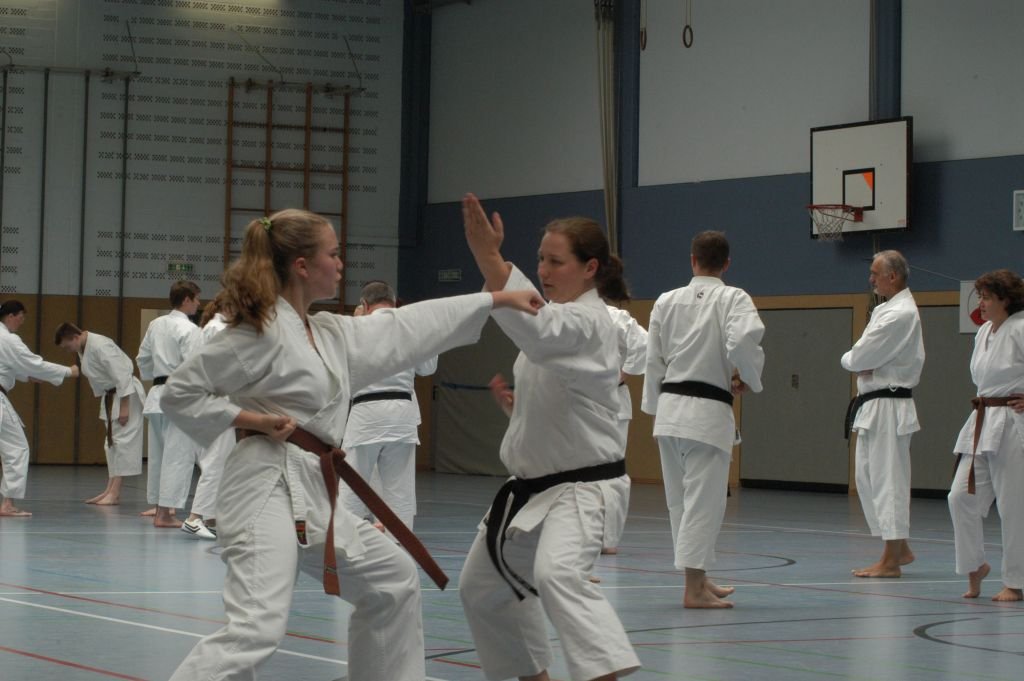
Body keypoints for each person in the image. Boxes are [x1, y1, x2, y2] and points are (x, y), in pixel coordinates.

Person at [160, 209, 541, 681]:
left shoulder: (325, 332)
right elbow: (180, 393)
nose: (341, 263)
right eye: (334, 254)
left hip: (311, 489)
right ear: (302, 265)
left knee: (392, 580)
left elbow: (405, 327)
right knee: (256, 627)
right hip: (262, 487)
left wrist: (496, 298)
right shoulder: (256, 334)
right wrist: (252, 418)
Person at [459, 194, 641, 681]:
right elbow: (561, 388)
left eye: (555, 261)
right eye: (540, 258)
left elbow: (542, 332)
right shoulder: (561, 319)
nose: (543, 270)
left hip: (582, 489)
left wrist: (489, 257)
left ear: (590, 268)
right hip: (535, 488)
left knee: (558, 574)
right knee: (482, 588)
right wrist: (520, 410)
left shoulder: (590, 320)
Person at [641, 231, 765, 609]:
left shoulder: (666, 300)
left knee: (679, 502)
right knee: (703, 503)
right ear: (726, 263)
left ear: (692, 259)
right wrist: (749, 377)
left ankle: (699, 578)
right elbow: (743, 342)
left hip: (670, 412)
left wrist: (654, 407)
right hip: (706, 415)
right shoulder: (734, 298)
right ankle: (693, 589)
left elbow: (653, 357)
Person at [841, 250, 924, 578]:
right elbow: (861, 357)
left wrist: (855, 360)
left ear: (893, 276)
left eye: (876, 273)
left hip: (890, 404)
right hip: (873, 404)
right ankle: (900, 548)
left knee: (889, 480)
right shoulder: (885, 309)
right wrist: (858, 360)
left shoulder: (900, 313)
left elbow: (859, 356)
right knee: (868, 478)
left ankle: (891, 559)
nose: (871, 279)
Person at [948, 269, 1024, 602]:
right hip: (983, 418)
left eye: (987, 297)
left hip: (1013, 420)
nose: (981, 302)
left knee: (1013, 504)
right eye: (980, 296)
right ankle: (975, 565)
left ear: (1005, 300)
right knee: (960, 497)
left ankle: (1016, 582)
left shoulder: (1021, 328)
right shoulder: (984, 333)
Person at [340, 281, 437, 531]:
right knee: (400, 496)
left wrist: (356, 321)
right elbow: (428, 369)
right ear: (394, 303)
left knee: (351, 490)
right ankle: (400, 550)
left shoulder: (353, 328)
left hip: (366, 417)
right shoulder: (410, 327)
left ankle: (346, 545)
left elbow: (340, 371)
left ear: (364, 304)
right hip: (402, 418)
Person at [0, 301, 79, 516]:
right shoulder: (7, 339)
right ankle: (7, 504)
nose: (22, 322)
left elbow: (8, 366)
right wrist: (68, 371)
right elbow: (33, 363)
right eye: (21, 317)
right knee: (17, 448)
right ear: (11, 316)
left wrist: (26, 376)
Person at [54, 322, 146, 505]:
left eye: (67, 346)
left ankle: (115, 492)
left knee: (123, 442)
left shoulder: (100, 345)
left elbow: (122, 374)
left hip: (125, 395)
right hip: (111, 395)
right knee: (111, 444)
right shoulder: (85, 347)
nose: (68, 350)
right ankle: (109, 490)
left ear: (75, 337)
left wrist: (125, 407)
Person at [136, 280, 203, 528]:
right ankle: (165, 514)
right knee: (178, 456)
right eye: (196, 298)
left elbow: (142, 358)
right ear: (186, 299)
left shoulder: (156, 324)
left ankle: (160, 508)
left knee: (159, 455)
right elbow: (195, 366)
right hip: (180, 396)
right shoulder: (190, 329)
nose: (198, 303)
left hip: (156, 395)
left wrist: (155, 374)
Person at [180, 293, 235, 540]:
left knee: (218, 460)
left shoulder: (213, 327)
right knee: (216, 460)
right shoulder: (218, 329)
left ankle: (211, 518)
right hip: (215, 402)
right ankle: (194, 518)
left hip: (211, 401)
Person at [601, 304, 647, 556]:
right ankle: (579, 533)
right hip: (574, 400)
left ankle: (608, 538)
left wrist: (624, 373)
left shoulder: (613, 316)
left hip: (612, 400)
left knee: (611, 471)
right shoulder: (557, 313)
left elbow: (644, 342)